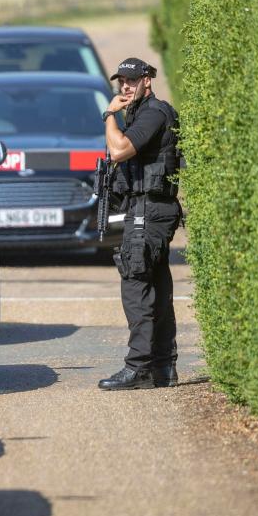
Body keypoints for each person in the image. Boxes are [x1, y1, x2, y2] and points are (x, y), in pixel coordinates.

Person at [98, 57, 183, 390]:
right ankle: (163, 367)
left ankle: (139, 368)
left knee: (136, 284)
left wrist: (108, 115)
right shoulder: (144, 113)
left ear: (148, 80)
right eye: (121, 81)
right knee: (157, 287)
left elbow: (119, 150)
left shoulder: (152, 113)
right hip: (149, 208)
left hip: (149, 211)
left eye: (132, 80)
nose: (125, 86)